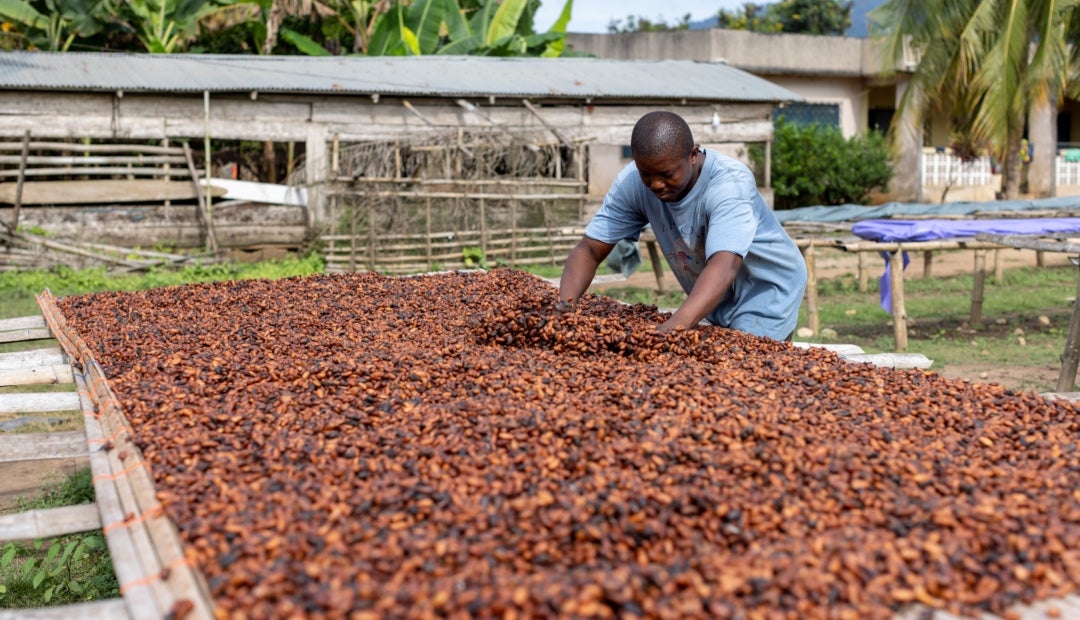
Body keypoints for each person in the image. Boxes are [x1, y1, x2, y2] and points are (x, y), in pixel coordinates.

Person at [559, 111, 807, 341]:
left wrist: (672, 327)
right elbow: (590, 250)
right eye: (646, 174)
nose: (655, 184)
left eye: (667, 174)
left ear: (692, 155)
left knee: (747, 368)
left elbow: (724, 265)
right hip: (718, 293)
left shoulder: (729, 184)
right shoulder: (632, 182)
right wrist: (564, 310)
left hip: (766, 288)